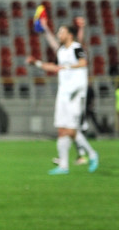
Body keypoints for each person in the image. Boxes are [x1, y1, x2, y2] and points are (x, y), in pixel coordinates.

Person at [26, 18, 98, 174]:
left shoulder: (77, 47)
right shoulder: (61, 51)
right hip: (64, 92)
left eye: (61, 32)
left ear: (70, 35)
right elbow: (54, 67)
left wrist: (67, 66)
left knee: (70, 129)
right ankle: (64, 166)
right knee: (61, 129)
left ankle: (91, 154)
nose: (59, 34)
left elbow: (83, 62)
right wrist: (36, 63)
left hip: (76, 92)